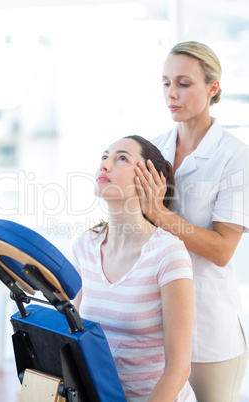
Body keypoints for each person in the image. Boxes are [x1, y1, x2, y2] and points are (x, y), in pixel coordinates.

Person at [135, 41, 249, 402]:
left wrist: (161, 215)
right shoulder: (152, 150)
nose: (172, 94)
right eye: (166, 83)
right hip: (157, 325)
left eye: (184, 84)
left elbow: (221, 250)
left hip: (209, 331)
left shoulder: (235, 158)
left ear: (212, 88)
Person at [71, 135, 196, 401]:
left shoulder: (168, 253)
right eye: (104, 157)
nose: (104, 165)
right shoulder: (85, 245)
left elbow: (179, 368)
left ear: (150, 178)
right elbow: (72, 332)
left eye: (122, 158)